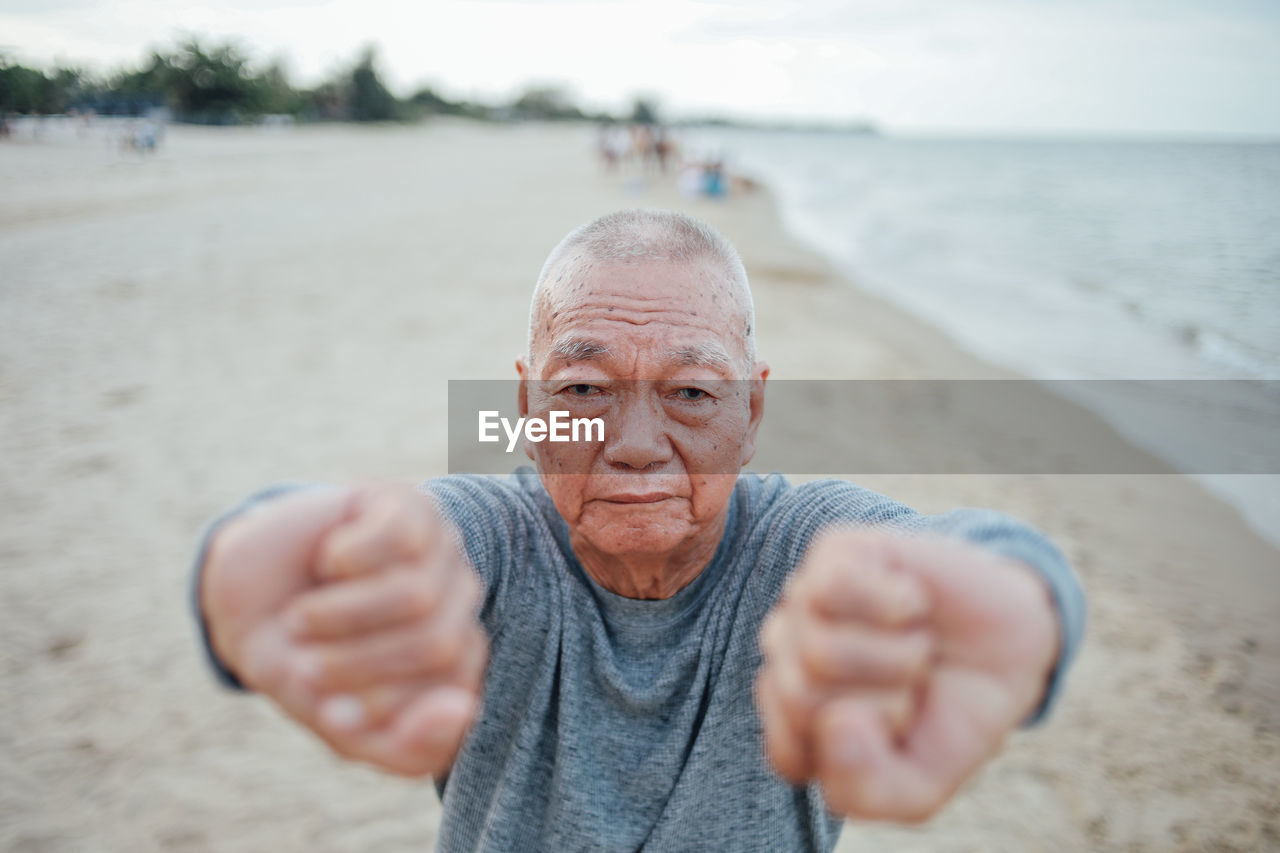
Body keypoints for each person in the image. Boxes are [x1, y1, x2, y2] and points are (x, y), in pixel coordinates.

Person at [193, 209, 1085, 851]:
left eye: (693, 394)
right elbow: (386, 536)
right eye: (583, 391)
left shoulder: (803, 546)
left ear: (751, 407)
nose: (635, 445)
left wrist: (1022, 600)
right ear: (528, 406)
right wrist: (260, 564)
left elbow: (955, 558)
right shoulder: (496, 539)